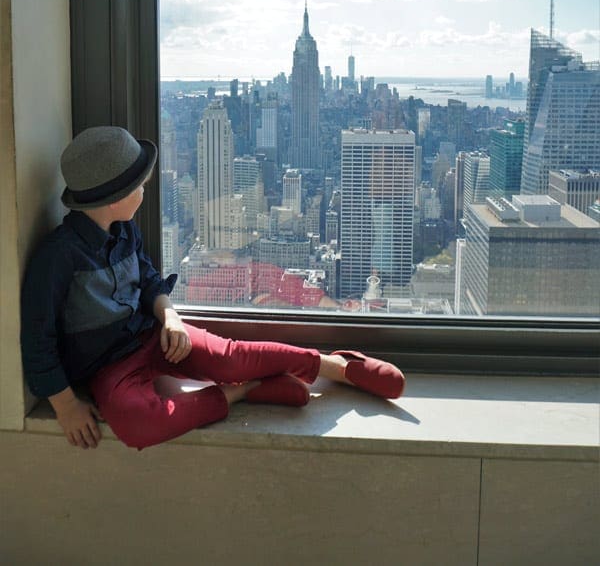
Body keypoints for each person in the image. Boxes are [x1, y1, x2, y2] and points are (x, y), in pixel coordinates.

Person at [21, 126, 406, 451]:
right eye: (140, 186)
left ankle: (337, 366)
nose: (145, 191)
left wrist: (170, 317)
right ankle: (243, 392)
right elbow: (38, 341)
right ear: (116, 197)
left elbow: (151, 280)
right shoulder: (58, 259)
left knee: (230, 356)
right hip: (106, 368)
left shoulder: (126, 232)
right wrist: (66, 404)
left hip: (154, 338)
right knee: (137, 425)